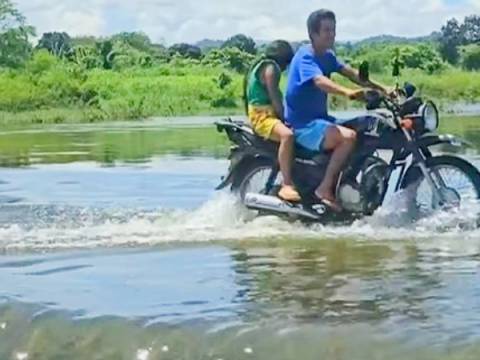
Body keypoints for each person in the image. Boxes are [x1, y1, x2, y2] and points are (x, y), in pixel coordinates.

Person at [285, 9, 390, 211]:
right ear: (313, 34)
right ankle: (324, 189)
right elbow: (319, 80)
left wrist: (384, 89)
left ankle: (350, 184)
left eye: (333, 29)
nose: (332, 34)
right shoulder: (306, 56)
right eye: (326, 30)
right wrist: (348, 93)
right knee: (348, 137)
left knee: (365, 129)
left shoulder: (328, 55)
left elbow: (352, 74)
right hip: (302, 125)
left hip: (321, 120)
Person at [244, 40, 300, 202]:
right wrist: (284, 119)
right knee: (287, 136)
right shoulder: (271, 68)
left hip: (263, 114)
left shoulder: (261, 65)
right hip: (263, 117)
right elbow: (275, 97)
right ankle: (287, 185)